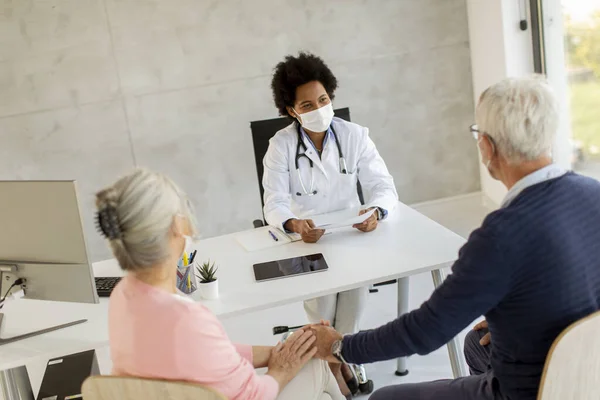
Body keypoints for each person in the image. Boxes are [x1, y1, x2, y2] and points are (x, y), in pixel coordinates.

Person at [309, 76, 600, 400]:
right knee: (477, 345)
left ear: (487, 146)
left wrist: (340, 345)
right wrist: (519, 319)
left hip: (534, 390)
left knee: (385, 398)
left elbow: (426, 330)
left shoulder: (500, 236)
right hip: (590, 374)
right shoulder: (594, 192)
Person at [95, 168, 345, 400]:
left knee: (307, 357)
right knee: (316, 364)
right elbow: (253, 395)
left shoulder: (123, 295)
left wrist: (284, 350)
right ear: (177, 227)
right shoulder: (187, 320)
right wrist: (283, 366)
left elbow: (211, 352)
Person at [263, 52, 399, 395]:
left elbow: (383, 187)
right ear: (291, 110)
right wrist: (293, 224)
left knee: (351, 314)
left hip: (352, 236)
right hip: (308, 242)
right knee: (321, 314)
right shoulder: (280, 147)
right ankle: (336, 370)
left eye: (323, 99)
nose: (319, 108)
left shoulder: (355, 135)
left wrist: (376, 213)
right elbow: (274, 203)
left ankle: (334, 364)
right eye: (307, 105)